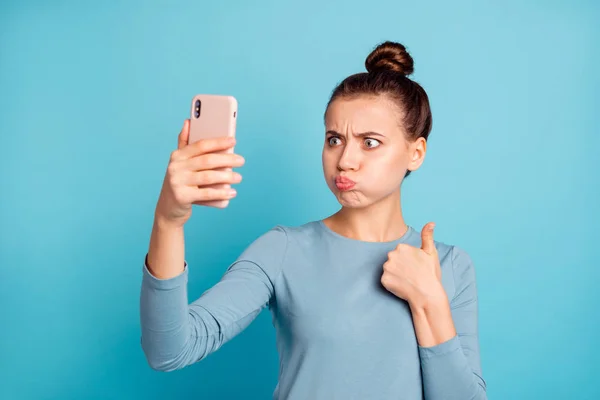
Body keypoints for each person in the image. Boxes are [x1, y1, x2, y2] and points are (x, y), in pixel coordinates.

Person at [140, 41, 487, 400]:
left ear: (415, 153)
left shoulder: (450, 266)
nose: (345, 160)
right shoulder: (283, 250)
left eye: (370, 142)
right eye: (334, 139)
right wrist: (168, 220)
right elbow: (168, 351)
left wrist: (429, 300)